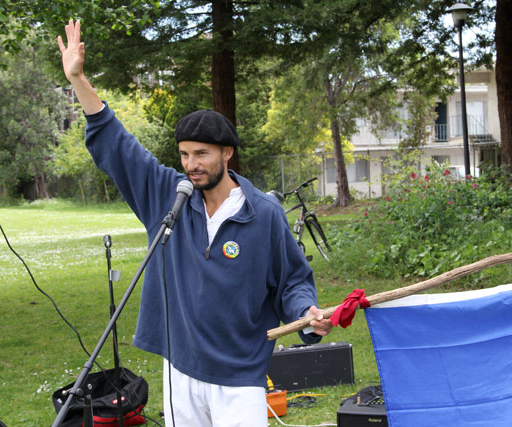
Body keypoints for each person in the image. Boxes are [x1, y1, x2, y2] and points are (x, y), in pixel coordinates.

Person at [58, 19, 333, 427]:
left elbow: (292, 280)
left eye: (201, 154)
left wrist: (307, 312)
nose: (191, 165)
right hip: (181, 367)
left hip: (240, 373)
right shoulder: (169, 196)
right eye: (185, 154)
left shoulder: (264, 214)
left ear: (227, 154)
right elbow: (119, 147)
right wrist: (78, 79)